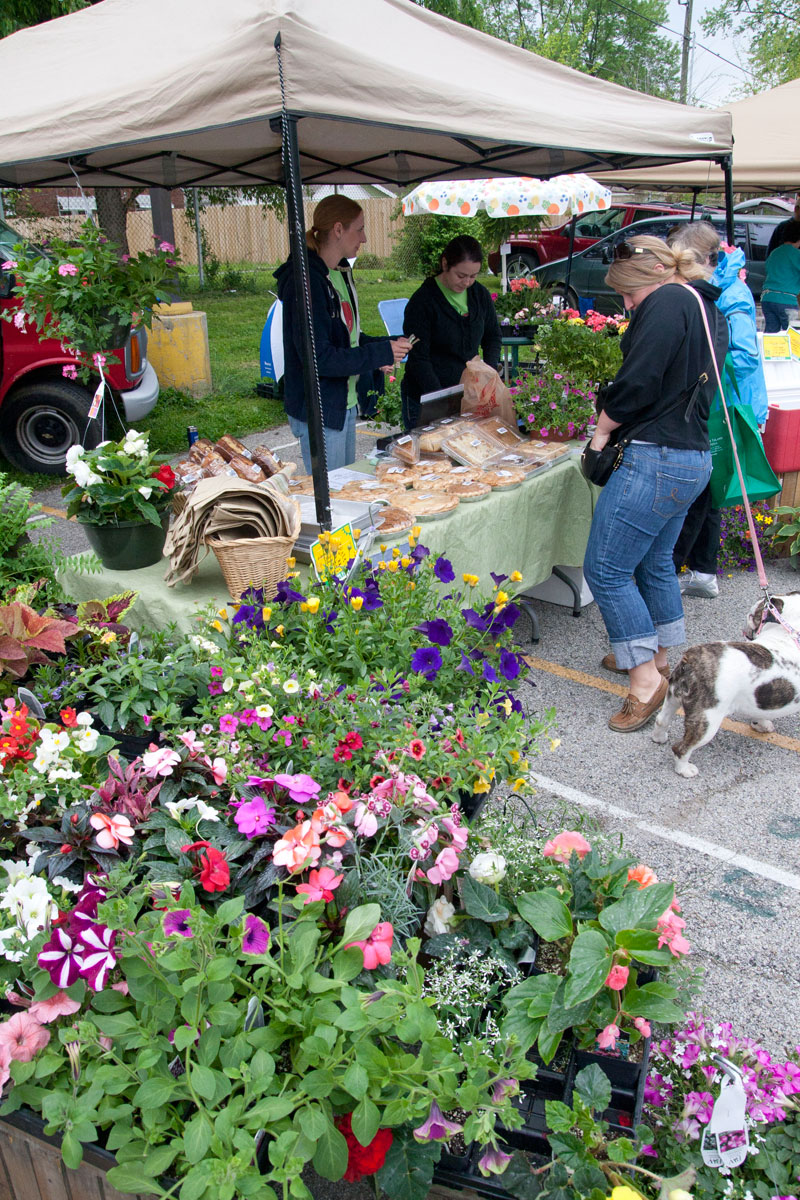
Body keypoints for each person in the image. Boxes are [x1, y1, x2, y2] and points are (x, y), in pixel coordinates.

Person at [583, 235, 728, 733]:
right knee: (654, 562)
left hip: (655, 458)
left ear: (651, 278)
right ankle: (659, 656)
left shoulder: (667, 301)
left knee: (604, 570)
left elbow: (638, 381)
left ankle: (645, 679)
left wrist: (602, 429)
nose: (625, 306)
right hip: (690, 457)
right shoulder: (706, 304)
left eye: (628, 295)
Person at [667, 221, 768, 598]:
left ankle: (685, 566)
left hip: (728, 404)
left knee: (704, 489)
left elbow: (743, 358)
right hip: (719, 400)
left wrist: (705, 367)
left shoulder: (732, 291)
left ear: (702, 259)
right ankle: (702, 571)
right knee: (708, 487)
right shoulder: (721, 286)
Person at [274, 196, 410, 472]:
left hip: (343, 403)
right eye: (358, 229)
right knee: (333, 502)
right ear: (338, 229)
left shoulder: (338, 272)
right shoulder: (306, 281)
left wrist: (387, 344)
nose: (365, 238)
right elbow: (320, 358)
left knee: (346, 492)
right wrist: (379, 353)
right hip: (321, 409)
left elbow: (348, 339)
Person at [401, 235, 501, 430]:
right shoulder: (423, 302)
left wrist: (487, 376)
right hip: (427, 398)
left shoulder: (480, 295)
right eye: (461, 275)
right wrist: (443, 400)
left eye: (473, 276)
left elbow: (493, 336)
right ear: (445, 264)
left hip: (470, 396)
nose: (467, 283)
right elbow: (419, 359)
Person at [760, 219, 800, 333]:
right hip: (787, 300)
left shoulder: (774, 253)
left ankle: (769, 351)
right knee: (793, 335)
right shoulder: (797, 255)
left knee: (771, 335)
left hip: (767, 299)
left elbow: (768, 268)